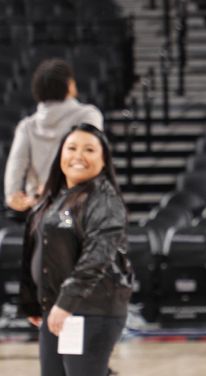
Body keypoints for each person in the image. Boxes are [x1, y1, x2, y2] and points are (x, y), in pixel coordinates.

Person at [18, 122, 131, 376]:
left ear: (103, 161)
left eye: (89, 150)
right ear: (61, 155)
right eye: (71, 148)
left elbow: (97, 256)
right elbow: (36, 251)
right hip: (58, 310)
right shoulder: (52, 199)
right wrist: (33, 302)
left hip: (90, 310)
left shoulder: (104, 200)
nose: (78, 155)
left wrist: (66, 303)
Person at [4, 59, 103, 214]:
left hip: (40, 205)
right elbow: (90, 158)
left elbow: (16, 166)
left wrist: (13, 195)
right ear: (70, 85)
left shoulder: (27, 126)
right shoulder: (89, 115)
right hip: (80, 204)